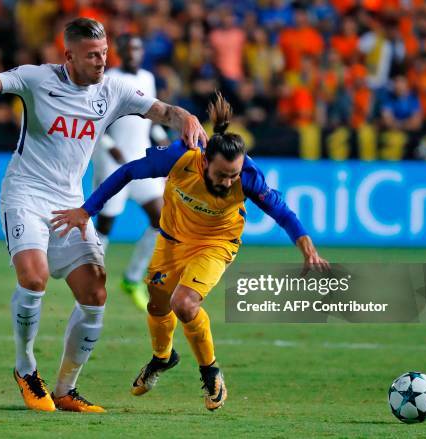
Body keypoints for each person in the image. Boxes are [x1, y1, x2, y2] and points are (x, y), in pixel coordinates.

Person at [0, 17, 207, 413]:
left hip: (70, 206)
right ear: (69, 55)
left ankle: (65, 389)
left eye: (104, 53)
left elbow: (162, 111)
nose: (101, 61)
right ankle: (26, 369)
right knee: (34, 276)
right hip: (25, 194)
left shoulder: (113, 89)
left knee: (95, 293)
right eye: (93, 55)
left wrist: (188, 118)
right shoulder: (36, 79)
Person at [50, 93, 329, 411]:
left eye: (233, 176)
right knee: (157, 305)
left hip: (216, 244)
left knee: (183, 303)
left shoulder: (248, 177)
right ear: (205, 161)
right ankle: (163, 358)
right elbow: (126, 173)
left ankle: (211, 373)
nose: (227, 182)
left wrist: (306, 245)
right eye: (221, 174)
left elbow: (282, 212)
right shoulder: (179, 157)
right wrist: (87, 210)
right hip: (172, 240)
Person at [93, 33, 168, 311]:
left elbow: (151, 116)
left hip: (143, 161)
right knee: (106, 224)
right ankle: (92, 278)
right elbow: (96, 121)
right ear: (120, 53)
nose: (134, 52)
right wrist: (110, 146)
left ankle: (133, 278)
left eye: (138, 47)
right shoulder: (108, 79)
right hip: (114, 163)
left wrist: (160, 137)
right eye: (129, 48)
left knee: (162, 219)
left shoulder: (147, 78)